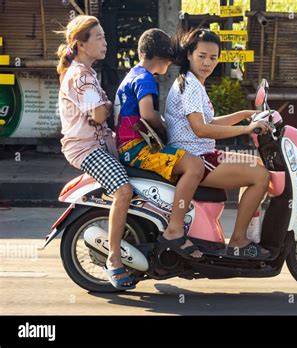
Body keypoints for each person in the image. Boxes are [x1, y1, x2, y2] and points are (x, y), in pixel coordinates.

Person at [165, 28, 273, 260]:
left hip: (205, 153)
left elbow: (210, 122)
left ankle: (247, 233)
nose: (207, 62)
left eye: (213, 58)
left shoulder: (193, 83)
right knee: (260, 176)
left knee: (256, 163)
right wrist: (246, 129)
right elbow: (201, 129)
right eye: (201, 56)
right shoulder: (191, 86)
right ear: (189, 55)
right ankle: (239, 240)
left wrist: (245, 114)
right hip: (197, 157)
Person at [57, 15, 135, 289]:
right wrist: (105, 106)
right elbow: (100, 115)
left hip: (101, 144)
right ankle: (114, 258)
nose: (105, 41)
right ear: (81, 44)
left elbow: (99, 114)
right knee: (123, 190)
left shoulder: (88, 74)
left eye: (104, 35)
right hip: (87, 149)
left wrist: (102, 108)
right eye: (99, 37)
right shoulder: (79, 76)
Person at [114, 28, 204, 260]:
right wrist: (163, 126)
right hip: (137, 149)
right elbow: (147, 113)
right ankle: (174, 230)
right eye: (169, 61)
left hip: (127, 146)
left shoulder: (132, 74)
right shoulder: (145, 78)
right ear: (162, 58)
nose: (168, 69)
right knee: (194, 166)